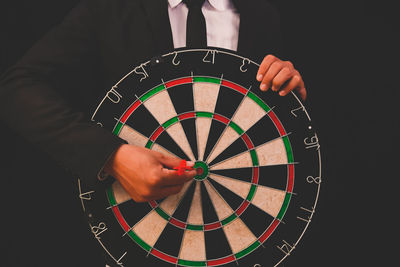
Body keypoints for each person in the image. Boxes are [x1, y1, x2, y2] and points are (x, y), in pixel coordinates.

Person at [0, 0, 306, 265]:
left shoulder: (262, 16)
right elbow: (16, 89)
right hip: (137, 240)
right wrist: (112, 156)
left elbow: (257, 134)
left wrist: (288, 94)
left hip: (233, 242)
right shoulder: (111, 8)